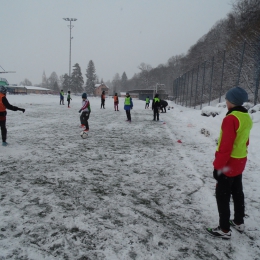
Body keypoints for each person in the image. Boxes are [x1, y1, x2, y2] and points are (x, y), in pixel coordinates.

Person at [206, 86, 253, 239]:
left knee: (223, 195)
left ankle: (224, 229)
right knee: (238, 192)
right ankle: (239, 222)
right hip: (240, 162)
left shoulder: (230, 118)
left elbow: (226, 146)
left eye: (226, 99)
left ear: (231, 101)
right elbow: (245, 141)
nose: (225, 102)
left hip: (228, 163)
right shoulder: (246, 117)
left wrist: (218, 167)